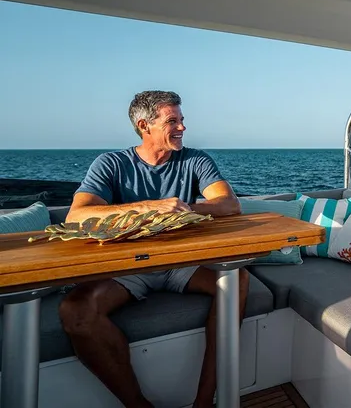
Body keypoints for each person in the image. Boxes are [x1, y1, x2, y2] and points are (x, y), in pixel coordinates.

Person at [59, 90, 246, 408]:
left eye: (182, 120)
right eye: (173, 120)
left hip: (181, 261)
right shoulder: (111, 163)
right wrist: (150, 208)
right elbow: (76, 216)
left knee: (236, 280)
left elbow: (229, 205)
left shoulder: (194, 160)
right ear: (145, 125)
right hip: (129, 266)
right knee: (75, 311)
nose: (183, 128)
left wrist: (182, 209)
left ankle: (204, 402)